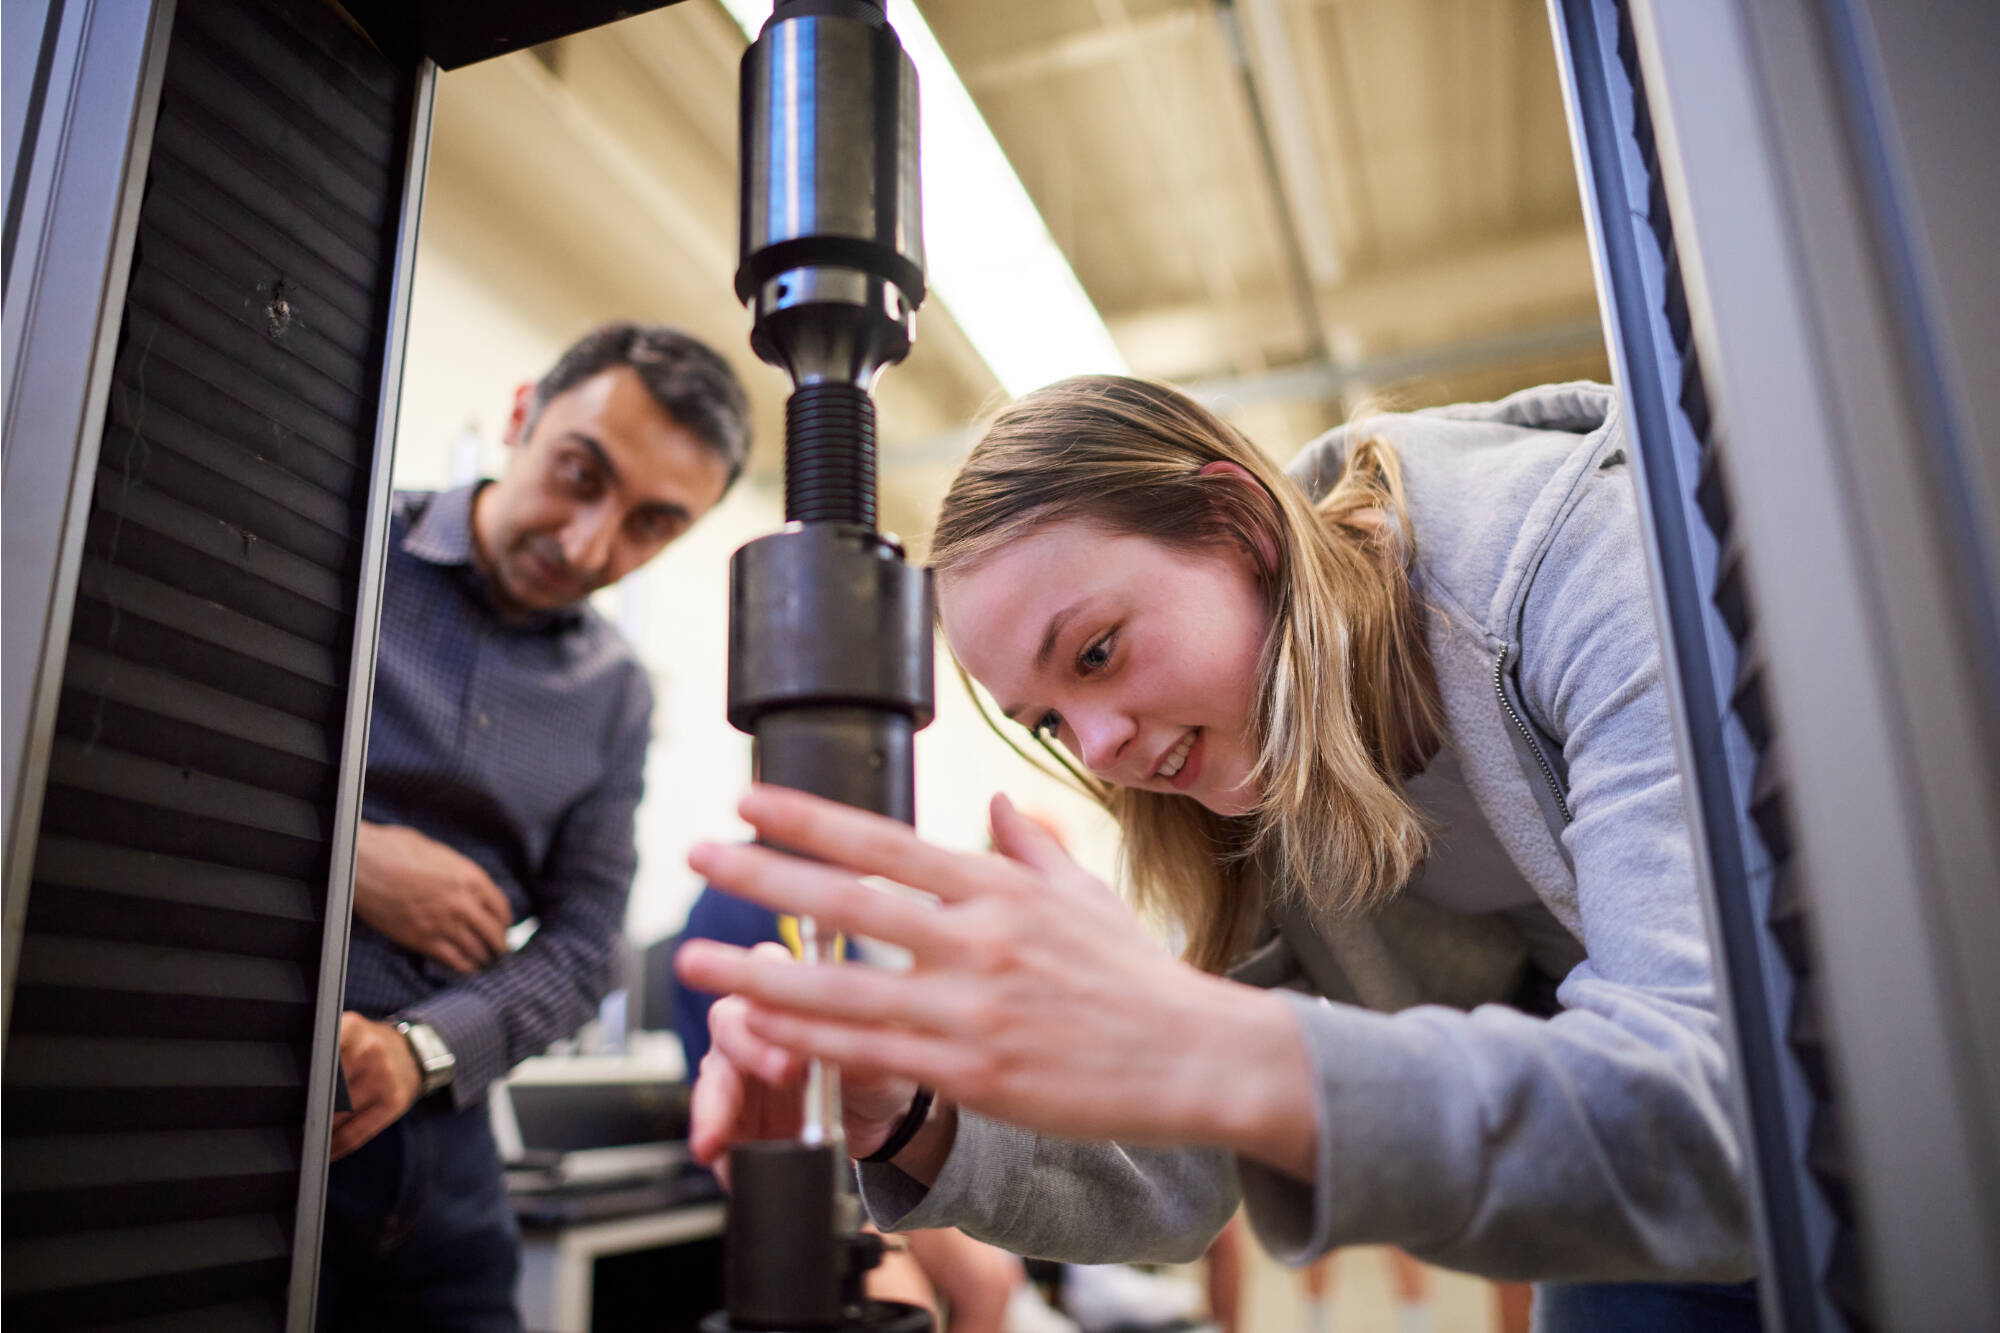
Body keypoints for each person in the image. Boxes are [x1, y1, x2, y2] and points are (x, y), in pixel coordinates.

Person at [674, 377, 1763, 1331]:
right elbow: (1174, 1164)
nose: (1099, 748)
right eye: (1048, 720)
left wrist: (1223, 1049)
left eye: (1095, 652)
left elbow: (1729, 1101)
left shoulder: (1576, 558)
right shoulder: (1241, 779)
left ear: (1240, 528)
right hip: (1649, 1225)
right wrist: (913, 1112)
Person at [319, 323, 751, 1332]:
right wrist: (344, 857)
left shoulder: (615, 695)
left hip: (448, 1148)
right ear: (522, 415)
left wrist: (419, 1048)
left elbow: (584, 946)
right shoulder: (338, 549)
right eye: (577, 473)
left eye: (649, 525)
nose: (588, 543)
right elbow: (160, 767)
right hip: (260, 1102)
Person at [668, 887, 1027, 1333]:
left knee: (991, 1282)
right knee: (908, 1305)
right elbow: (749, 1082)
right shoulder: (733, 908)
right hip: (784, 1162)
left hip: (857, 1149)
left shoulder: (833, 916)